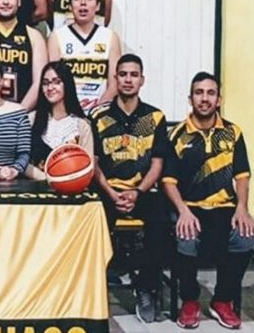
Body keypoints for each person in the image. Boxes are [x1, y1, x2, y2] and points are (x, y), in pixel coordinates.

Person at [162, 72, 254, 330]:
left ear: (219, 99)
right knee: (187, 236)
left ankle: (222, 300)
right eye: (199, 93)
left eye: (210, 93)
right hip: (190, 207)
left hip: (224, 207)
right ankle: (189, 300)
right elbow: (168, 181)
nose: (204, 98)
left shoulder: (232, 132)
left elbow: (242, 176)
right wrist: (182, 211)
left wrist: (242, 208)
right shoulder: (177, 135)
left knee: (245, 236)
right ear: (190, 98)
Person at [90, 54, 169, 323]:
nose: (128, 80)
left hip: (142, 192)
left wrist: (137, 192)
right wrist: (111, 193)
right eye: (123, 74)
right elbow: (93, 164)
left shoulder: (154, 117)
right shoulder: (98, 116)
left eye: (133, 75)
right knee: (90, 219)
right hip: (108, 191)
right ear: (115, 79)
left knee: (160, 222)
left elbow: (157, 165)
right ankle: (94, 287)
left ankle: (145, 287)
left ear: (142, 80)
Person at [48, 0, 122, 112]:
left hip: (101, 112)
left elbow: (114, 84)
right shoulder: (57, 37)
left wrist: (96, 112)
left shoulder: (110, 37)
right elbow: (52, 82)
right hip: (67, 112)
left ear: (98, 6)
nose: (83, 2)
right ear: (70, 6)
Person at [26, 61, 94, 180]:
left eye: (56, 82)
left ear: (67, 84)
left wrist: (65, 180)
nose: (50, 88)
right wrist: (46, 178)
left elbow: (89, 168)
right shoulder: (31, 119)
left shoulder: (81, 125)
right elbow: (21, 162)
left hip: (72, 187)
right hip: (35, 187)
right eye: (45, 83)